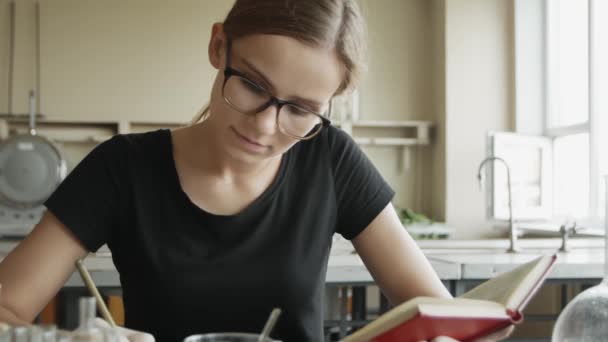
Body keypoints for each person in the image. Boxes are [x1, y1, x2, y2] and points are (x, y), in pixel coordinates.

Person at [0, 1, 513, 341]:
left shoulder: (330, 159)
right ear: (219, 47)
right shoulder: (122, 168)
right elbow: (7, 309)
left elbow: (437, 314)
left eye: (301, 109)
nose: (266, 127)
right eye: (252, 86)